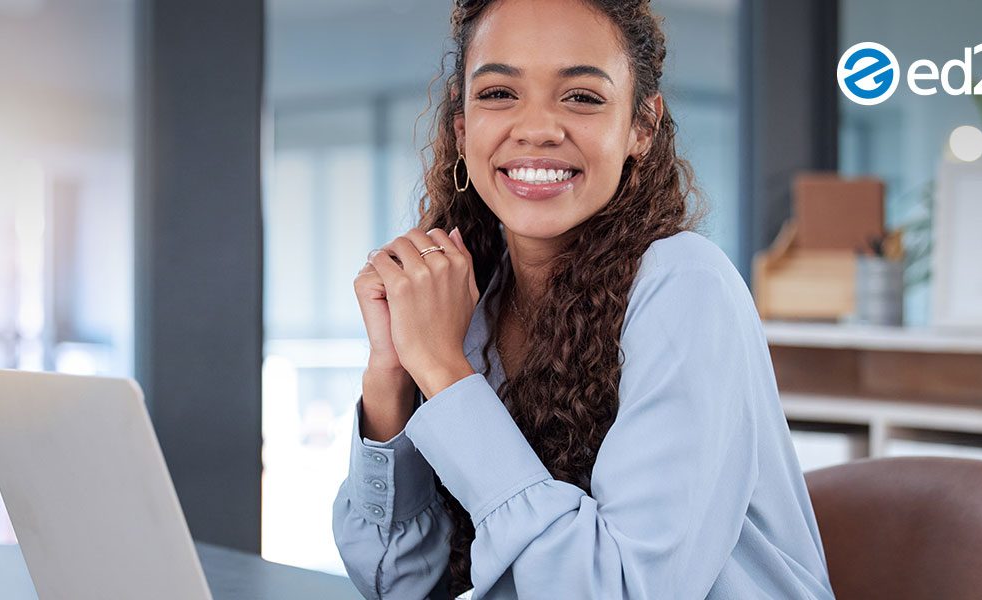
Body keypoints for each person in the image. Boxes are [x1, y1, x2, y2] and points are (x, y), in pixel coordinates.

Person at [332, 0, 835, 598]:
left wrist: (443, 372)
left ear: (640, 128)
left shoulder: (685, 285)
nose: (538, 127)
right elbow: (397, 584)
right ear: (462, 130)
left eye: (582, 97)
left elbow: (617, 590)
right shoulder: (474, 302)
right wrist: (392, 370)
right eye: (498, 93)